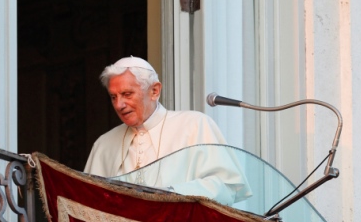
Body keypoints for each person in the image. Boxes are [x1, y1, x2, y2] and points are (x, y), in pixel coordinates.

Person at [84, 56, 251, 205]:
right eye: (114, 97)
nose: (119, 104)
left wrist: (171, 195)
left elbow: (227, 187)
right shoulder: (104, 143)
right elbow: (88, 202)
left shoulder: (194, 125)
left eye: (127, 94)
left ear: (154, 91)